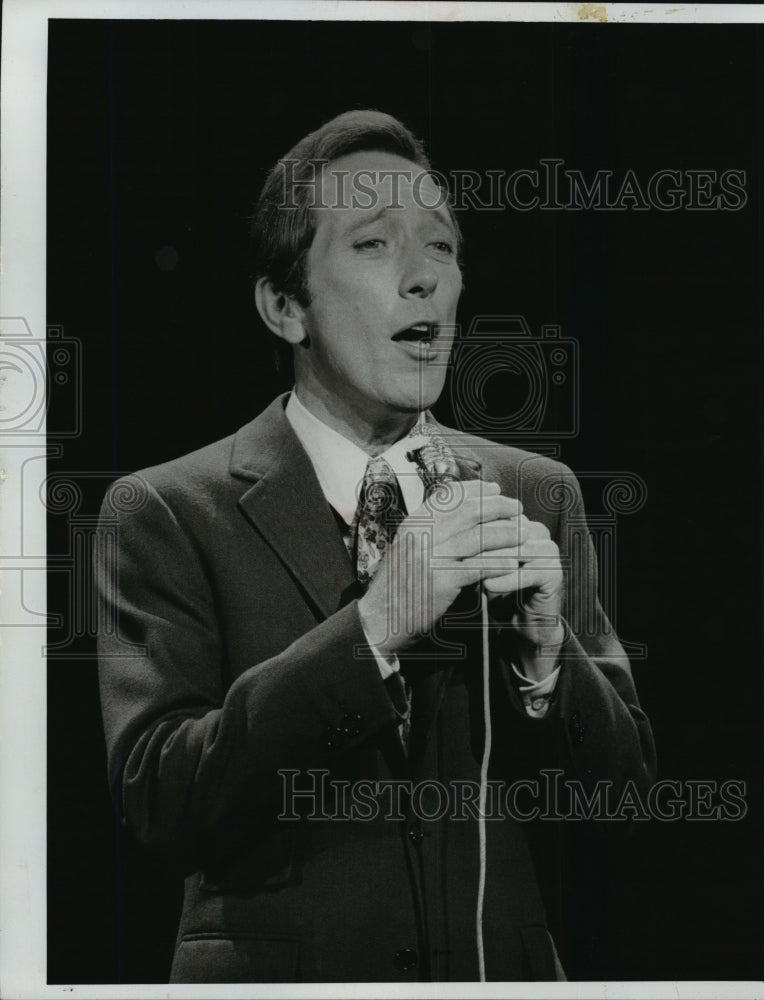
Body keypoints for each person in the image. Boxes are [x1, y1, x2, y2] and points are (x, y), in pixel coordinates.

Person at [95, 109, 656, 984]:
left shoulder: (534, 494)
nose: (422, 278)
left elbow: (617, 808)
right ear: (286, 308)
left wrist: (549, 665)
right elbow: (165, 807)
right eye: (372, 245)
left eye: (440, 246)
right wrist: (373, 629)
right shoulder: (166, 510)